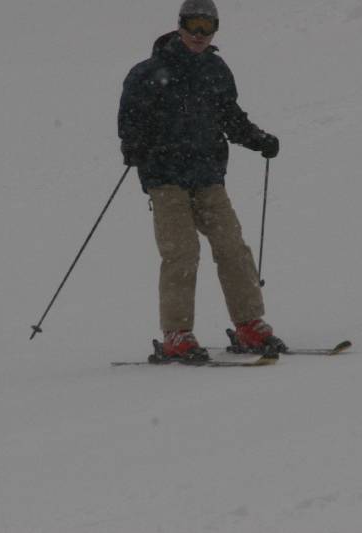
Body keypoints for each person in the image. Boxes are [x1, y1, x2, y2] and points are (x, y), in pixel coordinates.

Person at [118, 0, 285, 361]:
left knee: (232, 247)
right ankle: (176, 333)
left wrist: (258, 140)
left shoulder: (216, 70)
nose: (199, 34)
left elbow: (231, 118)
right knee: (182, 252)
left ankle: (248, 324)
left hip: (207, 174)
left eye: (207, 27)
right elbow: (129, 120)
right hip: (165, 178)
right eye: (193, 25)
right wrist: (133, 146)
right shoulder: (148, 72)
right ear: (180, 25)